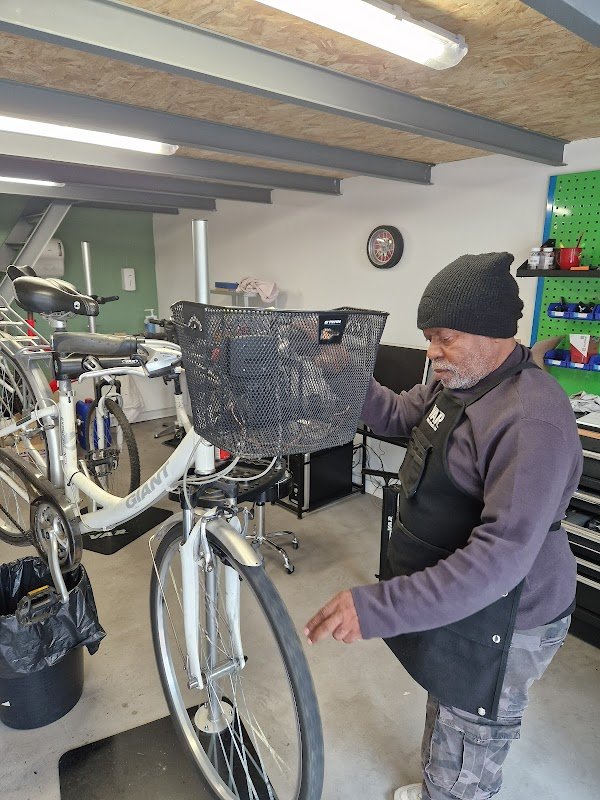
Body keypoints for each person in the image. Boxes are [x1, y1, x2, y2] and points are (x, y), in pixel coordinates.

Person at [304, 252, 582, 800]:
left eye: (445, 337)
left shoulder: (530, 419)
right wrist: (350, 376)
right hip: (464, 598)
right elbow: (398, 416)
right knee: (447, 694)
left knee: (472, 734)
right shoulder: (457, 384)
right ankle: (439, 784)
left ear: (493, 332)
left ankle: (451, 791)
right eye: (428, 336)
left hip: (511, 615)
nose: (432, 353)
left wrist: (380, 606)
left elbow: (501, 557)